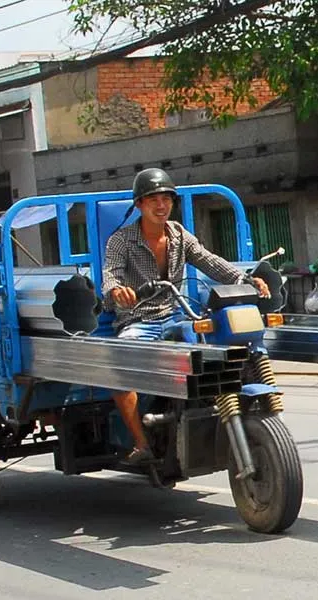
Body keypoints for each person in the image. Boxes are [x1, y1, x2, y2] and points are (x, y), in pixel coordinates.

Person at [102, 168, 271, 464]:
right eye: (153, 199)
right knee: (120, 369)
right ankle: (141, 443)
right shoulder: (121, 240)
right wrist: (117, 292)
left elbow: (209, 261)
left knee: (217, 352)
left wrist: (246, 279)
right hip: (138, 321)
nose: (161, 205)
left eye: (166, 199)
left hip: (176, 315)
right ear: (139, 204)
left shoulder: (179, 234)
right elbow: (110, 276)